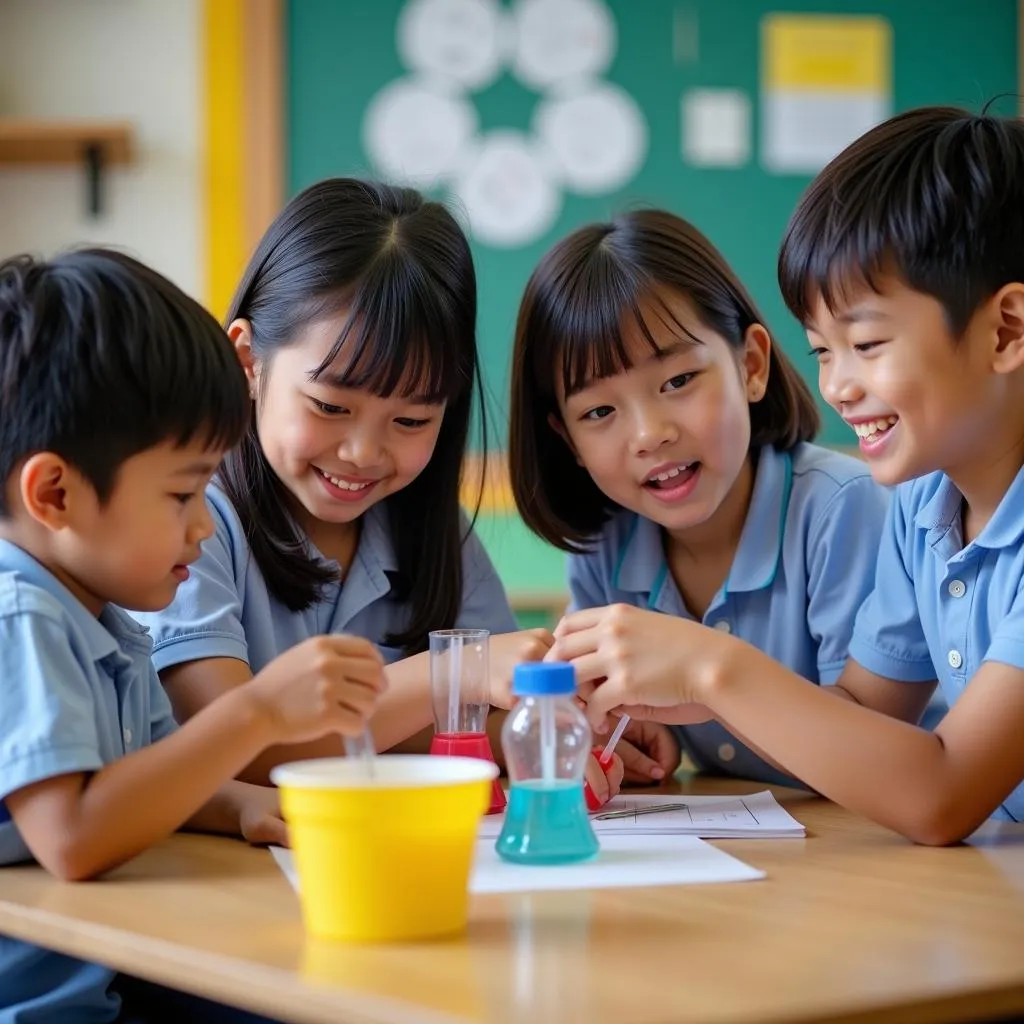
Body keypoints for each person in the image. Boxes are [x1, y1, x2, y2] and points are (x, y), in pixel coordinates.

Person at [558, 106, 1024, 844]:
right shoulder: (922, 504)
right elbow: (860, 720)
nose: (838, 387)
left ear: (1006, 330)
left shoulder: (862, 502)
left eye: (867, 343)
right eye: (822, 351)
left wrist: (713, 669)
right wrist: (693, 697)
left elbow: (943, 795)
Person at [135, 178, 622, 800]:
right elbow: (226, 741)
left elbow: (487, 722)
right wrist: (457, 673)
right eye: (329, 406)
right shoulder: (190, 520)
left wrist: (568, 730)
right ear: (248, 363)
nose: (363, 452)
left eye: (412, 420)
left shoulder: (433, 536)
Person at [0, 249, 385, 1021]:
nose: (203, 525)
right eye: (182, 494)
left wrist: (238, 804)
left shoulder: (99, 613)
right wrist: (258, 714)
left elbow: (144, 778)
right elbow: (72, 834)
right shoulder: (21, 616)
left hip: (114, 974)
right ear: (55, 493)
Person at [509, 209, 886, 786]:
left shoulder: (842, 511)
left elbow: (870, 750)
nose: (649, 434)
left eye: (678, 382)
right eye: (600, 411)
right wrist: (632, 728)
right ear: (569, 440)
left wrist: (709, 685)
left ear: (750, 366)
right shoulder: (604, 550)